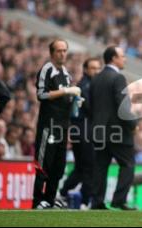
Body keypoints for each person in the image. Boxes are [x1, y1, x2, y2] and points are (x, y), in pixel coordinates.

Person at [32, 39, 82, 209]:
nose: (62, 53)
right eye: (59, 50)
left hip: (63, 125)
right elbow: (41, 95)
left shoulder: (65, 72)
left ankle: (50, 199)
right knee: (44, 164)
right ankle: (38, 200)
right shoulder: (47, 69)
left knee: (59, 166)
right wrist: (66, 90)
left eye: (64, 50)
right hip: (49, 125)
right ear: (52, 53)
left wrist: (75, 99)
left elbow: (64, 97)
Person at [90, 46, 137, 210]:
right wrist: (133, 124)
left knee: (100, 166)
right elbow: (122, 104)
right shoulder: (118, 78)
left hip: (99, 131)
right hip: (118, 132)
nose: (124, 59)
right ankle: (119, 199)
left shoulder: (95, 79)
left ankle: (97, 201)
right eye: (122, 56)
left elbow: (89, 105)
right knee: (128, 164)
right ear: (113, 58)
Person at [59, 57, 102, 210]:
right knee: (89, 166)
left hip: (80, 130)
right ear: (85, 69)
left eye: (98, 68)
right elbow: (92, 109)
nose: (96, 71)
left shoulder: (87, 85)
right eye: (93, 68)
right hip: (84, 131)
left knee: (81, 167)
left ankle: (63, 192)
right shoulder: (86, 86)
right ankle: (84, 201)